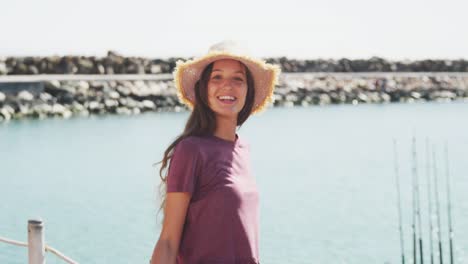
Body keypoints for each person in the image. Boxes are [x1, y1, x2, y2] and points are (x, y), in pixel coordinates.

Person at [150, 40, 280, 264]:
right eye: (217, 77)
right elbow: (168, 242)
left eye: (237, 79)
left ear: (247, 90)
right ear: (204, 89)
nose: (227, 86)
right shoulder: (191, 150)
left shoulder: (243, 149)